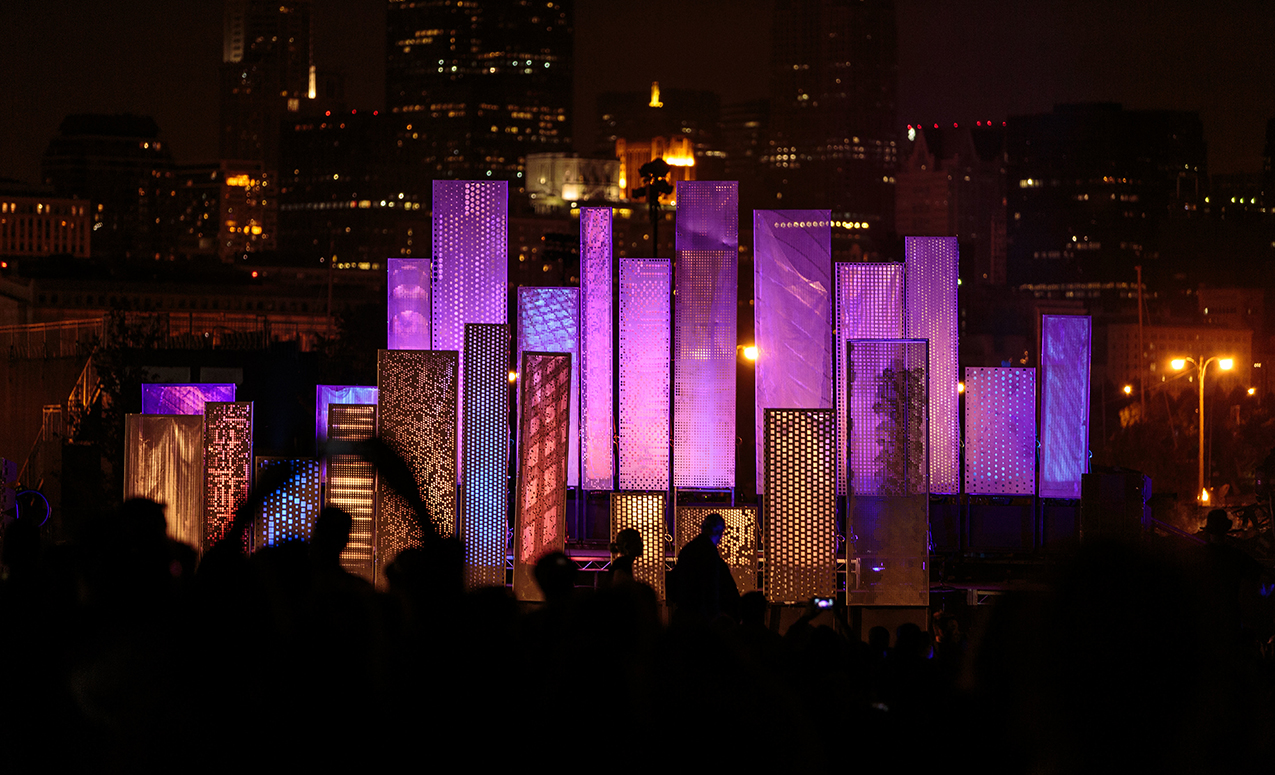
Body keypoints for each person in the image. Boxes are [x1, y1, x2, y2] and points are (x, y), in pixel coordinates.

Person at [668, 512, 739, 624]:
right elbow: (714, 588)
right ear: (718, 532)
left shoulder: (688, 550)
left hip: (686, 613)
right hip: (704, 617)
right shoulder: (711, 554)